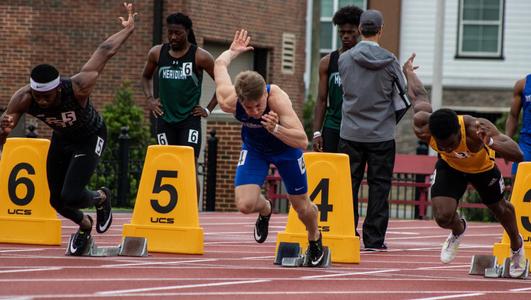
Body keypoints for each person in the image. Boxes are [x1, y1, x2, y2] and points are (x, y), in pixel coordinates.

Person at [0, 3, 137, 256]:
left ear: (57, 89)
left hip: (91, 136)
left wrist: (128, 29)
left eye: (47, 97)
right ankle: (84, 225)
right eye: (37, 97)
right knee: (56, 200)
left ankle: (101, 198)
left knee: (72, 194)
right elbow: (4, 128)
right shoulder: (23, 98)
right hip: (63, 139)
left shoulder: (78, 86)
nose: (41, 102)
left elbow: (104, 51)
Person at [403, 53, 527, 278]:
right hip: (451, 168)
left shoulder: (474, 129)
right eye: (442, 145)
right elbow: (418, 95)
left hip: (482, 169)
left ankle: (517, 247)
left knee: (501, 209)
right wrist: (409, 72)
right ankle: (458, 229)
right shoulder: (423, 125)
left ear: (457, 132)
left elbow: (517, 153)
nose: (448, 147)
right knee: (442, 216)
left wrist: (489, 141)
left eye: (451, 144)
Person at [214, 30, 325, 266]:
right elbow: (219, 63)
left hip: (286, 150)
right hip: (255, 149)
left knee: (302, 207)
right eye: (249, 107)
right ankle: (265, 209)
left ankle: (314, 236)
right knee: (244, 205)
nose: (254, 111)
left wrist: (276, 129)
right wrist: (232, 52)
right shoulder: (229, 101)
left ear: (264, 96)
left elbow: (301, 141)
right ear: (240, 100)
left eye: (258, 106)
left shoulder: (277, 99)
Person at [337, 9, 406, 250]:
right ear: (380, 30)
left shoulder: (344, 59)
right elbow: (402, 95)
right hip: (381, 134)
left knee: (348, 185)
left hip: (350, 132)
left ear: (359, 30)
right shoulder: (390, 61)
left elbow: (345, 90)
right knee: (379, 186)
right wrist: (387, 122)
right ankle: (374, 238)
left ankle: (347, 231)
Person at [141, 12, 217, 158]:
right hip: (164, 119)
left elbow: (222, 84)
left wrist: (208, 110)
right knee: (166, 161)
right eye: (170, 33)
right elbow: (145, 76)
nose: (173, 37)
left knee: (188, 164)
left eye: (178, 33)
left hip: (189, 120)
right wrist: (150, 99)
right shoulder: (157, 53)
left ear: (187, 32)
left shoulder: (200, 56)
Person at [312, 5, 363, 152]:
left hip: (356, 127)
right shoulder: (327, 62)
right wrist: (316, 132)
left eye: (350, 32)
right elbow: (321, 99)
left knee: (351, 172)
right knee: (331, 170)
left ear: (359, 31)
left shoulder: (365, 61)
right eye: (342, 32)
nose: (345, 36)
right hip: (332, 125)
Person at [506, 76, 531, 182]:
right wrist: (506, 143)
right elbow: (513, 115)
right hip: (527, 142)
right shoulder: (523, 84)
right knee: (517, 183)